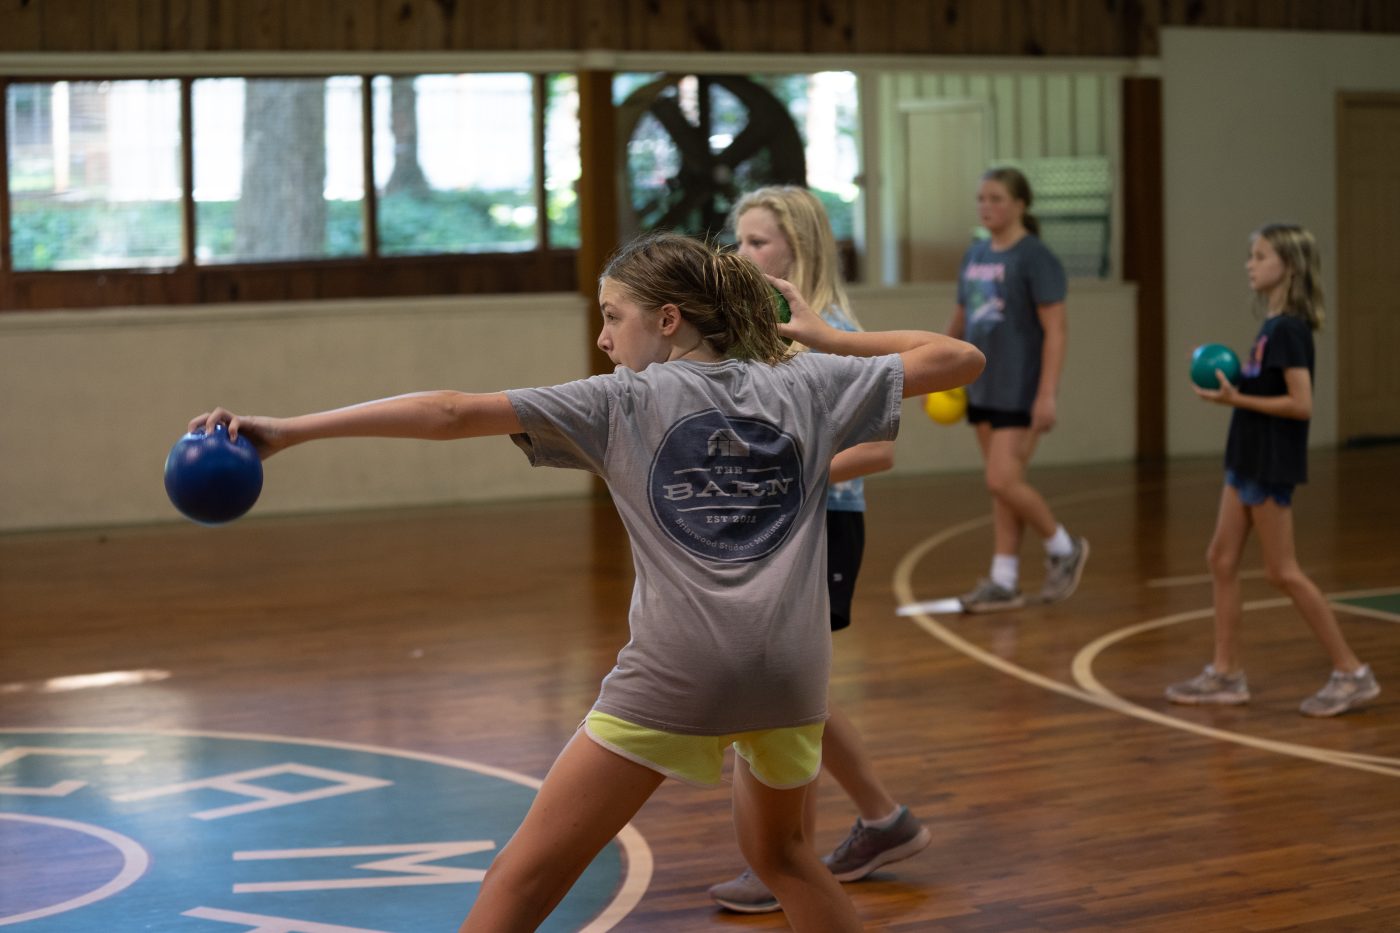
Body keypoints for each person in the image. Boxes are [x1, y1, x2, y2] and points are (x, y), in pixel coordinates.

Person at [190, 231, 985, 932]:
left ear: (667, 319)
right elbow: (960, 359)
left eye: (612, 315)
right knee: (785, 857)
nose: (603, 338)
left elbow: (451, 411)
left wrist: (289, 430)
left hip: (681, 672)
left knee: (523, 875)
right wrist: (831, 338)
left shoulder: (620, 401)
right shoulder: (809, 381)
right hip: (793, 674)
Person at [704, 185, 930, 915]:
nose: (742, 254)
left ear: (797, 248)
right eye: (739, 240)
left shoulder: (831, 330)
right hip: (786, 526)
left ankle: (787, 858)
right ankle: (879, 821)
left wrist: (786, 471)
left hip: (826, 524)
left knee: (787, 697)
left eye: (757, 242)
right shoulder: (763, 330)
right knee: (797, 695)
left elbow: (878, 451)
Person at [1165, 223, 1379, 717]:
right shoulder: (1272, 326)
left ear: (1290, 266)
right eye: (1252, 255)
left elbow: (1301, 405)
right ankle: (1226, 674)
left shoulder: (1289, 331)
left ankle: (1352, 673)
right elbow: (1268, 388)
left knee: (1282, 571)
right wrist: (1231, 382)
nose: (1250, 264)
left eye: (1261, 256)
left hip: (1269, 461)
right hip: (1246, 455)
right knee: (1221, 559)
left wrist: (1233, 399)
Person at [946, 166, 1089, 613]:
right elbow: (960, 319)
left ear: (1021, 205)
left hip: (1020, 388)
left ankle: (1064, 547)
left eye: (997, 198)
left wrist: (1047, 395)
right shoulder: (974, 253)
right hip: (981, 385)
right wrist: (935, 368)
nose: (986, 206)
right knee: (1002, 487)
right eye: (981, 198)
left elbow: (1057, 331)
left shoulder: (1035, 257)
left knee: (1001, 479)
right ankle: (1004, 579)